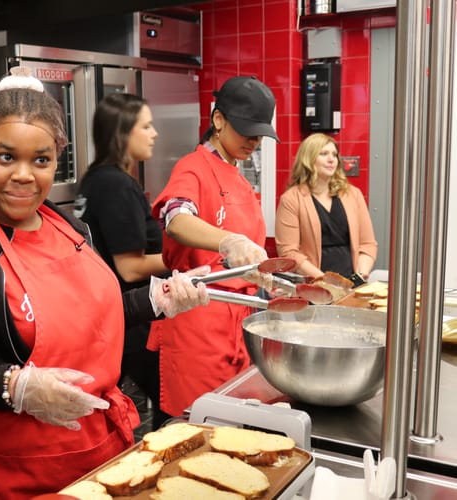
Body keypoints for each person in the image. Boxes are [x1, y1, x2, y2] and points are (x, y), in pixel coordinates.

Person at [0, 67, 210, 500]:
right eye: (6, 157)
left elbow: (94, 317)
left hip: (101, 454)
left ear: (56, 158)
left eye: (41, 160)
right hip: (14, 471)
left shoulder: (74, 230)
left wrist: (155, 300)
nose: (25, 175)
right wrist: (12, 387)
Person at [150, 75, 280, 420]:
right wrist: (228, 241)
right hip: (198, 321)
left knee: (232, 421)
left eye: (259, 134)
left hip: (237, 322)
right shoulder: (193, 167)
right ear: (218, 120)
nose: (253, 140)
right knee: (198, 424)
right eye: (245, 130)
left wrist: (259, 271)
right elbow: (175, 216)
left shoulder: (237, 176)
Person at [74, 92, 170, 429]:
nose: (154, 133)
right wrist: (181, 259)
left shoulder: (95, 178)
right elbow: (129, 267)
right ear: (121, 133)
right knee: (172, 404)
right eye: (146, 126)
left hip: (106, 319)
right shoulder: (117, 185)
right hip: (128, 320)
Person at [275, 132, 377, 279]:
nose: (331, 159)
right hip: (313, 284)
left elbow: (367, 244)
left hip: (350, 282)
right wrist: (324, 281)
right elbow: (289, 252)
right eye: (324, 154)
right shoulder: (291, 199)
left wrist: (360, 276)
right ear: (308, 159)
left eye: (334, 155)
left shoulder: (353, 194)